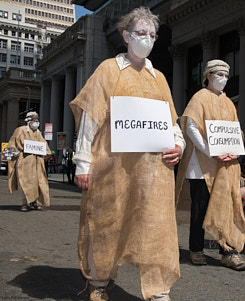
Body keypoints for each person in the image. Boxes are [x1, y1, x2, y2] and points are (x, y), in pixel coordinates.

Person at [69, 7, 185, 301]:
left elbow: (171, 121)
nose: (146, 39)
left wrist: (179, 146)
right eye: (140, 33)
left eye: (152, 35)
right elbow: (90, 119)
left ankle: (159, 289)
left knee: (157, 225)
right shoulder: (108, 70)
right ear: (125, 35)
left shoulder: (158, 77)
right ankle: (98, 281)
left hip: (154, 171)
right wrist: (83, 162)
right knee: (108, 221)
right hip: (113, 168)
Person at [175, 59, 245, 271]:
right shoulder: (199, 97)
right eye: (219, 74)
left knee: (228, 206)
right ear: (208, 75)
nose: (223, 79)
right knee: (200, 209)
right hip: (201, 165)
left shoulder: (227, 102)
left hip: (225, 164)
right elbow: (191, 127)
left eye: (226, 75)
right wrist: (210, 151)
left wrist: (234, 153)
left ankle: (229, 251)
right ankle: (196, 249)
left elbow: (235, 131)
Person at [6, 112, 51, 212]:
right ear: (28, 121)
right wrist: (17, 152)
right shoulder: (20, 130)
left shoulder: (38, 133)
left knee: (39, 182)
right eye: (34, 120)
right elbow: (12, 144)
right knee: (24, 182)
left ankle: (36, 202)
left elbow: (44, 145)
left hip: (37, 162)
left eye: (37, 121)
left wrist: (47, 153)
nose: (36, 123)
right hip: (25, 161)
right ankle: (24, 203)